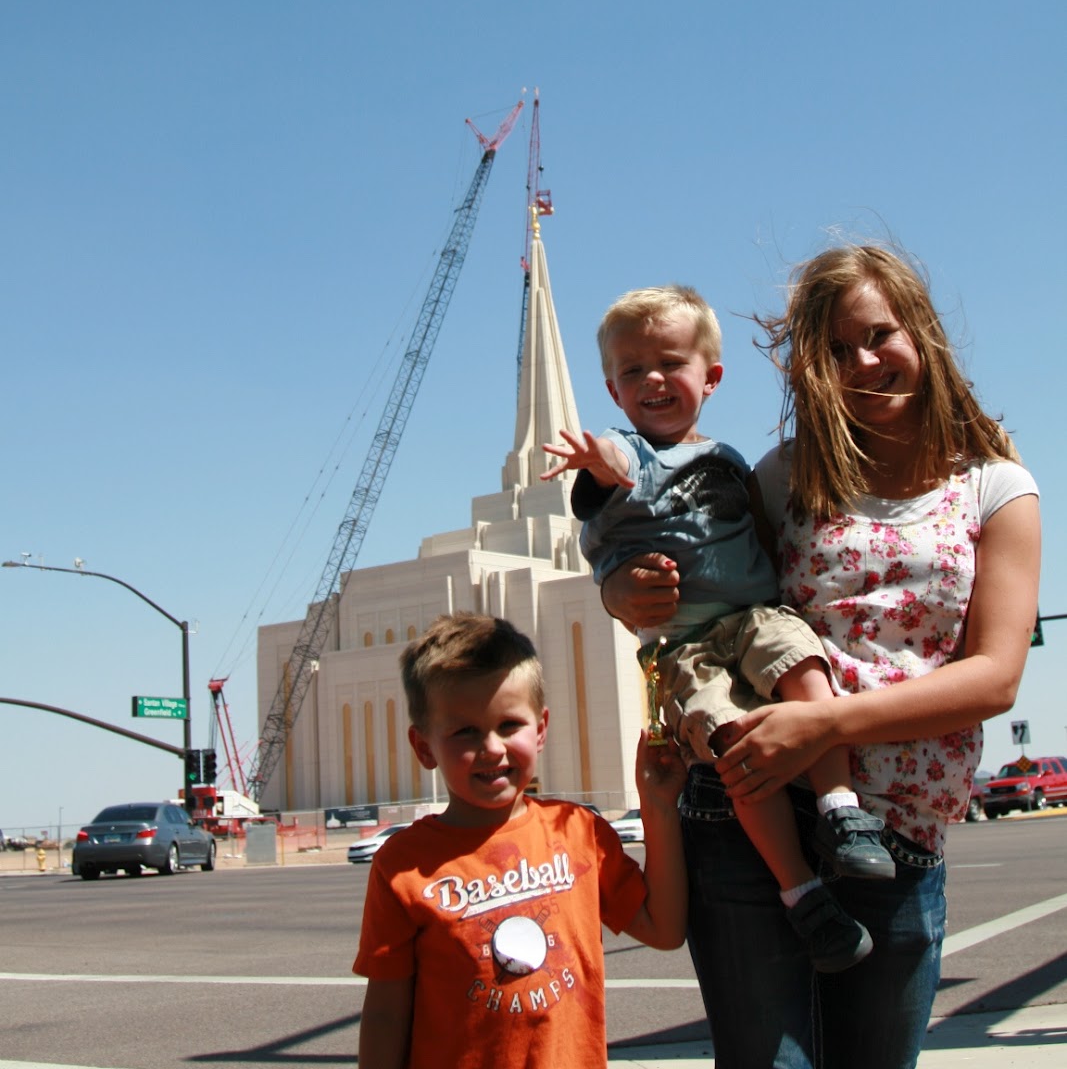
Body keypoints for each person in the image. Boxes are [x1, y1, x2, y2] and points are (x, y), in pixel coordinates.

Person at [601, 245, 1041, 1069]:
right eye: (835, 351)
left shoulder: (994, 487)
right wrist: (620, 591)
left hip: (896, 834)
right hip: (747, 810)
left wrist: (821, 725)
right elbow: (711, 605)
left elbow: (994, 678)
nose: (863, 363)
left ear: (921, 332)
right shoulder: (779, 478)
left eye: (878, 336)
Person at [542, 284, 893, 973]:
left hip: (756, 618)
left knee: (807, 675)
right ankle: (801, 892)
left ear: (711, 378)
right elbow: (609, 472)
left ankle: (841, 808)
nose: (652, 379)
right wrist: (600, 466)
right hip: (687, 650)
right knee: (738, 749)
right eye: (632, 370)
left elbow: (760, 532)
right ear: (613, 392)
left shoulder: (731, 461)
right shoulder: (627, 451)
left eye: (671, 363)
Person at [353, 611, 687, 1069]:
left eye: (509, 725)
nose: (492, 747)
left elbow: (664, 929)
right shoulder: (403, 866)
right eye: (465, 731)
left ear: (541, 729)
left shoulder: (579, 832)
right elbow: (386, 1013)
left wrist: (658, 806)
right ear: (424, 747)